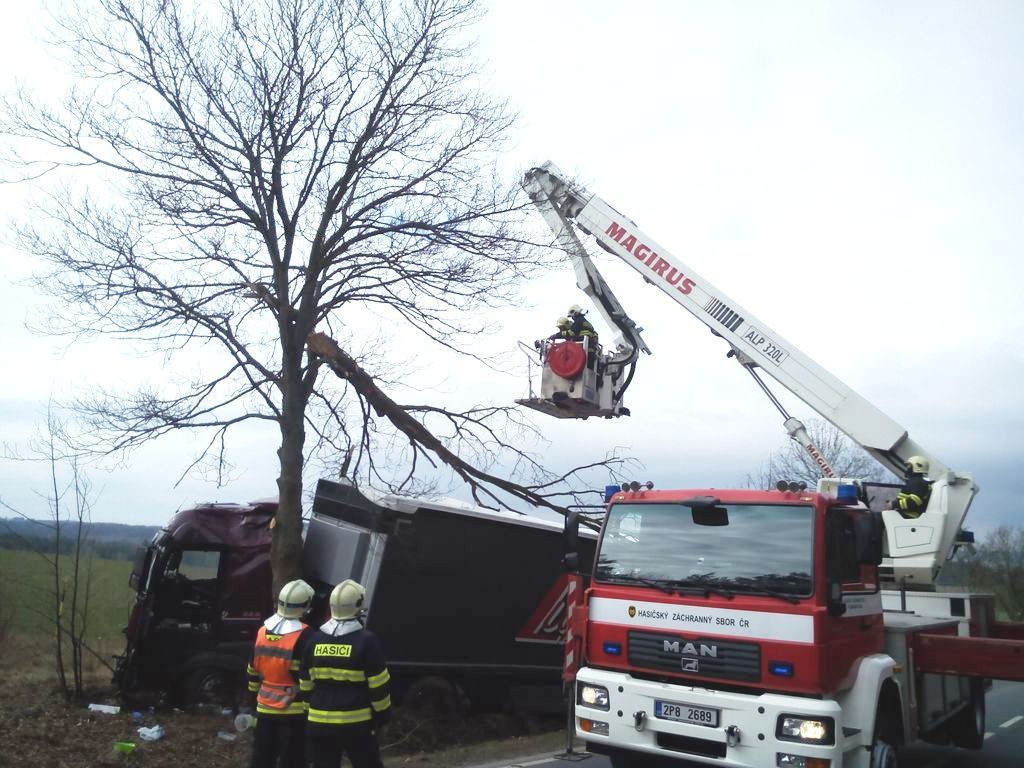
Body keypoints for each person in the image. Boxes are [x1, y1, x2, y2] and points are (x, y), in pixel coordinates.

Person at [299, 579, 392, 768]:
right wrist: (383, 718)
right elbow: (378, 686)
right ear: (357, 606)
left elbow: (305, 684)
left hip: (318, 723)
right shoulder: (367, 641)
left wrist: (310, 711)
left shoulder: (314, 640)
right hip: (356, 725)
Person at [247, 579, 316, 768]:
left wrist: (254, 699)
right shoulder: (307, 636)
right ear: (305, 606)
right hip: (294, 712)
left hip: (264, 710)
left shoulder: (262, 631)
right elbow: (308, 677)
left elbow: (252, 670)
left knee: (261, 759)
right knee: (293, 760)